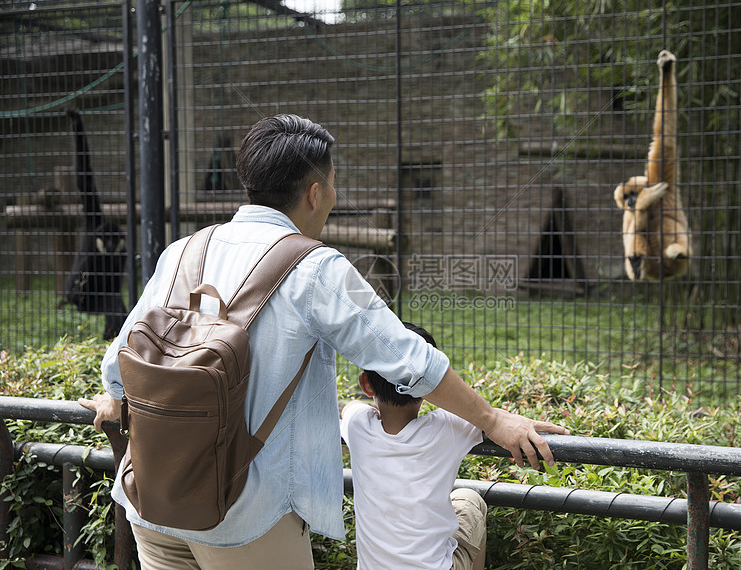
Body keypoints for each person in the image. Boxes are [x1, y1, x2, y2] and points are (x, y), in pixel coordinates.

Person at [78, 113, 568, 569]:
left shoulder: (183, 251)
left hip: (151, 498)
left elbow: (118, 364)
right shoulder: (315, 268)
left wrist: (116, 400)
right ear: (315, 192)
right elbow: (407, 359)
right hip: (246, 515)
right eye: (333, 184)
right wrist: (493, 419)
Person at [341, 322, 488, 570]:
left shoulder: (357, 425)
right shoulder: (450, 426)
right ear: (433, 386)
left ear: (366, 384)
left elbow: (349, 408)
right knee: (469, 499)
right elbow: (487, 417)